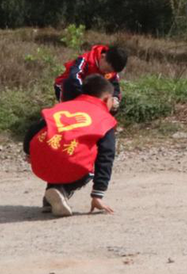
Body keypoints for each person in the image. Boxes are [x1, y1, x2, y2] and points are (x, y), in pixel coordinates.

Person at [24, 74, 118, 217]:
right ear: (106, 99)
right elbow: (106, 156)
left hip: (41, 164)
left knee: (61, 149)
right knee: (87, 157)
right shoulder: (105, 119)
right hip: (70, 164)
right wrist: (97, 194)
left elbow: (33, 129)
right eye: (113, 99)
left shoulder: (63, 106)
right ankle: (63, 190)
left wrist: (29, 153)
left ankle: (51, 199)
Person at [54, 44, 128, 106]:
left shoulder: (112, 71)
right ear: (103, 57)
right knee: (68, 109)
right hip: (66, 86)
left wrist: (115, 99)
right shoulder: (86, 60)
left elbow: (115, 87)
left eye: (110, 72)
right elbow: (74, 77)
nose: (107, 73)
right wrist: (84, 96)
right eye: (107, 70)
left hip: (87, 93)